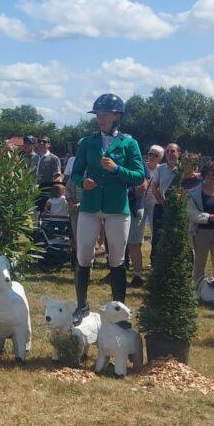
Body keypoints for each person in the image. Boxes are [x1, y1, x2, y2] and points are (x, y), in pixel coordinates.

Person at [69, 93, 145, 324]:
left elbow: (139, 176)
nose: (100, 119)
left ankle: (118, 311)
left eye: (104, 114)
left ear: (116, 116)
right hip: (90, 205)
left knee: (117, 258)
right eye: (98, 114)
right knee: (83, 255)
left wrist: (116, 169)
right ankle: (82, 305)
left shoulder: (130, 143)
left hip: (116, 208)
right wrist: (83, 183)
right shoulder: (87, 142)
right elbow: (75, 172)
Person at [186, 162, 214, 288]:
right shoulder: (193, 193)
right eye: (208, 175)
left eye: (213, 175)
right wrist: (208, 217)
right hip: (200, 232)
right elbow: (190, 212)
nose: (210, 178)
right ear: (203, 176)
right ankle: (198, 289)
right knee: (199, 263)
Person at [128, 145, 162, 288]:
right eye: (150, 153)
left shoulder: (139, 163)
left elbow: (144, 184)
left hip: (138, 206)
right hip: (130, 206)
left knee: (135, 242)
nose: (150, 156)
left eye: (154, 154)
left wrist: (129, 195)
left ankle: (138, 275)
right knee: (131, 242)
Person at [149, 143, 181, 265]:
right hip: (161, 206)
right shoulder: (160, 168)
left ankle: (174, 263)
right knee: (157, 236)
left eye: (172, 151)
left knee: (175, 236)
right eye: (167, 151)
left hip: (178, 208)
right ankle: (155, 263)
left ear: (179, 153)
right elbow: (154, 187)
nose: (169, 154)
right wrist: (162, 202)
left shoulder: (183, 168)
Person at [30, 134, 62, 212]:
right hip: (32, 191)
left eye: (44, 141)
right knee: (32, 216)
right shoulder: (34, 158)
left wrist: (54, 194)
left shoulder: (53, 158)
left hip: (45, 193)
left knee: (45, 216)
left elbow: (57, 177)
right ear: (36, 143)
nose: (41, 143)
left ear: (48, 144)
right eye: (39, 141)